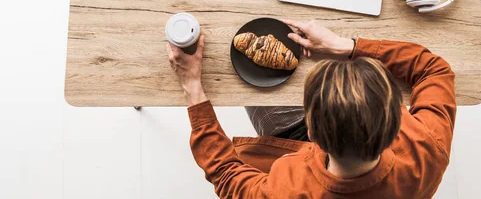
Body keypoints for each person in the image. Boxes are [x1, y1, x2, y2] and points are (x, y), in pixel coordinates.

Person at [166, 19, 456, 198]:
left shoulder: (288, 192)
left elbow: (227, 175)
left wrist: (192, 86)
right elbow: (434, 70)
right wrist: (345, 45)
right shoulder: (427, 149)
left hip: (291, 143)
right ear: (396, 118)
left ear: (312, 130)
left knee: (247, 80)